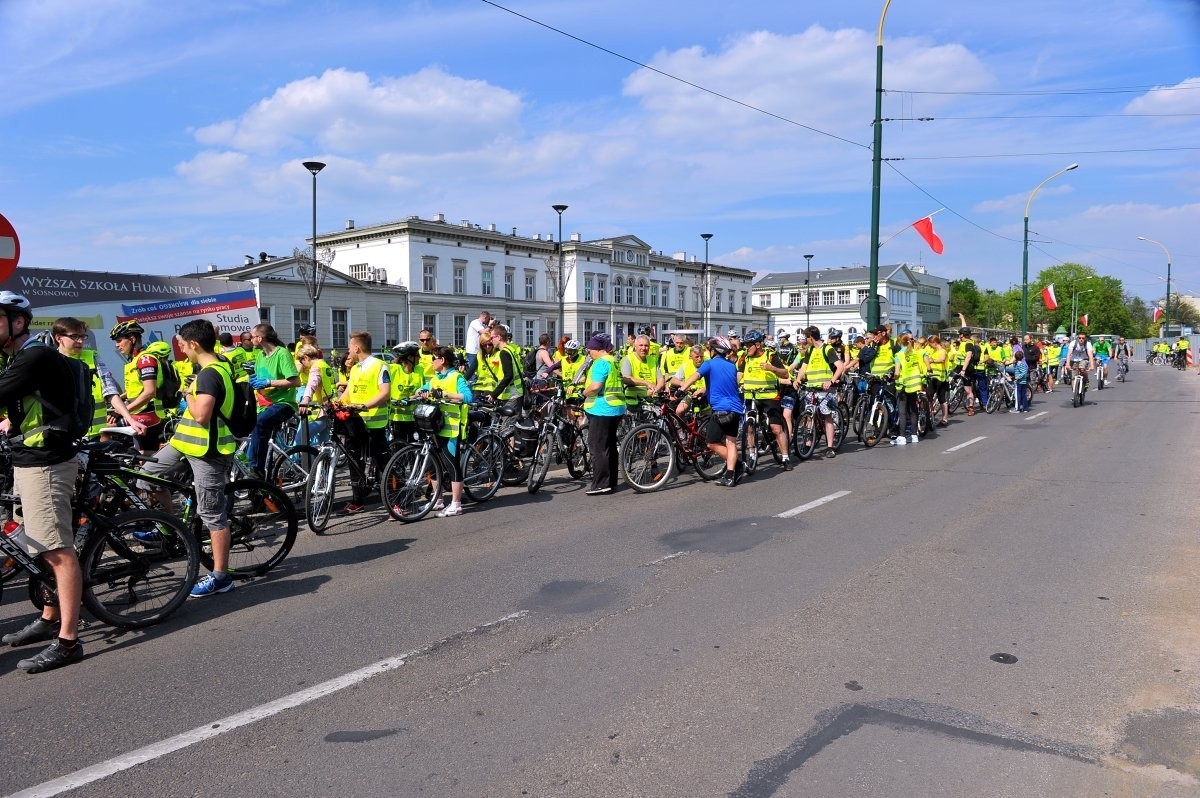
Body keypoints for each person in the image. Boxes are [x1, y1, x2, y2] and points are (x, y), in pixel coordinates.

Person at [0, 293, 86, 672]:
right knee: (34, 545)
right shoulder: (18, 356)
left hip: (47, 464)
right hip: (27, 459)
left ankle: (68, 640)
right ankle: (50, 616)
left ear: (18, 322)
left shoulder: (34, 356)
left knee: (56, 551)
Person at [138, 320, 238, 598]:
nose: (180, 349)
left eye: (182, 344)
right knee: (146, 476)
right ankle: (169, 529)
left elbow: (202, 416)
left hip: (208, 452)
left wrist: (187, 395)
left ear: (193, 344)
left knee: (212, 515)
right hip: (184, 445)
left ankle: (221, 577)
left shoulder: (210, 374)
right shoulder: (208, 370)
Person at [53, 317, 144, 438]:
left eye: (83, 336)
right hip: (64, 435)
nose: (80, 341)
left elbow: (110, 391)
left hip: (96, 433)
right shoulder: (50, 360)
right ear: (59, 338)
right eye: (74, 336)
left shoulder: (92, 357)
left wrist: (130, 420)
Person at [333, 331, 392, 515]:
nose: (348, 350)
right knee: (353, 460)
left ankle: (395, 501)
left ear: (357, 348)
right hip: (355, 421)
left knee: (383, 462)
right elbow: (349, 391)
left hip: (374, 422)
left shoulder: (380, 365)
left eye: (350, 346)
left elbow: (385, 393)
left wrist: (364, 406)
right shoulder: (356, 368)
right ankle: (356, 501)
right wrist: (337, 403)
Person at [416, 345, 473, 517]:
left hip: (451, 429)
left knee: (451, 465)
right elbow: (421, 389)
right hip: (436, 427)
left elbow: (468, 397)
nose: (431, 362)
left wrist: (446, 394)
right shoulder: (435, 378)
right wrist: (421, 392)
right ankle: (438, 500)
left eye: (434, 359)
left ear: (442, 360)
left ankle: (456, 504)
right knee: (434, 466)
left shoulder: (456, 377)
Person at [680, 337, 742, 486]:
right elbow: (722, 385)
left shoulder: (709, 364)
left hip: (720, 410)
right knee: (731, 442)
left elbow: (695, 376)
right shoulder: (731, 366)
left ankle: (738, 465)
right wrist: (706, 393)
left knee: (711, 443)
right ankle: (730, 475)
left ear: (713, 350)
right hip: (735, 408)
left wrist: (681, 390)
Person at [244, 324, 301, 477]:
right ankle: (263, 477)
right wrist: (251, 377)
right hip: (263, 405)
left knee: (260, 423)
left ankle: (256, 470)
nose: (249, 340)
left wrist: (269, 382)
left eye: (251, 337)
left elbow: (296, 381)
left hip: (284, 403)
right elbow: (257, 379)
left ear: (260, 338)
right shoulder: (260, 356)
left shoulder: (282, 354)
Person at [109, 320, 171, 454]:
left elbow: (149, 392)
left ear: (132, 339)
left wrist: (122, 411)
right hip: (139, 412)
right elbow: (135, 391)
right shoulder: (134, 361)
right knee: (145, 455)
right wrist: (117, 400)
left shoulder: (145, 359)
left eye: (119, 340)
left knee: (103, 429)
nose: (117, 345)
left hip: (148, 414)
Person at [737, 329, 792, 470]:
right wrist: (736, 385)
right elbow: (739, 374)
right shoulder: (745, 357)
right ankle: (752, 454)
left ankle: (785, 457)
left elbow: (785, 374)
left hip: (769, 396)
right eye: (745, 345)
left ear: (758, 345)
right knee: (749, 427)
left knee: (776, 428)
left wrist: (771, 368)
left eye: (749, 345)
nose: (746, 348)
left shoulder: (770, 355)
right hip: (751, 396)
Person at [581, 334, 625, 495]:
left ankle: (601, 484)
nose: (589, 353)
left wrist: (583, 393)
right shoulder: (613, 361)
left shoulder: (600, 363)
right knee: (610, 446)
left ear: (598, 349)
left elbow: (595, 387)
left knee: (597, 446)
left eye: (590, 350)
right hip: (616, 408)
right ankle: (611, 481)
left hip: (601, 409)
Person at [794, 326, 846, 459]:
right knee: (808, 417)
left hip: (825, 390)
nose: (805, 341)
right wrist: (798, 379)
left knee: (827, 417)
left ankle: (830, 447)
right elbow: (804, 367)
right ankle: (808, 444)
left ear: (811, 337)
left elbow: (840, 366)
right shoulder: (810, 350)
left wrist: (832, 381)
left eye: (806, 338)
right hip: (811, 388)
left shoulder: (827, 349)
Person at [891, 333, 924, 445]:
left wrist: (893, 377)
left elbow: (897, 372)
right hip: (914, 384)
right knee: (913, 410)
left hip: (903, 385)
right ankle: (914, 436)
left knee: (902, 412)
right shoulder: (915, 352)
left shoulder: (899, 355)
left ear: (899, 342)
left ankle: (902, 437)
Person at [620, 334, 664, 411]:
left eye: (646, 346)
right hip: (633, 402)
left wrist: (656, 389)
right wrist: (646, 383)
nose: (643, 348)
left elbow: (661, 379)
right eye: (641, 345)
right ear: (635, 346)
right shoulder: (628, 359)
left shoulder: (653, 360)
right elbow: (625, 378)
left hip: (651, 402)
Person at [923, 334, 950, 428]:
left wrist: (932, 360)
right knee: (929, 395)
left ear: (934, 342)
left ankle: (944, 419)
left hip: (941, 378)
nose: (930, 346)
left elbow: (942, 359)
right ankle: (931, 412)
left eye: (931, 344)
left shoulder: (942, 351)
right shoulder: (935, 351)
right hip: (933, 377)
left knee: (941, 398)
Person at [464, 311, 491, 379]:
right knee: (473, 370)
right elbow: (483, 332)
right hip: (473, 351)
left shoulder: (480, 324)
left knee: (479, 368)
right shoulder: (475, 322)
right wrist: (490, 325)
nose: (488, 321)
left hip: (477, 350)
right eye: (488, 319)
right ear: (485, 317)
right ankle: (472, 382)